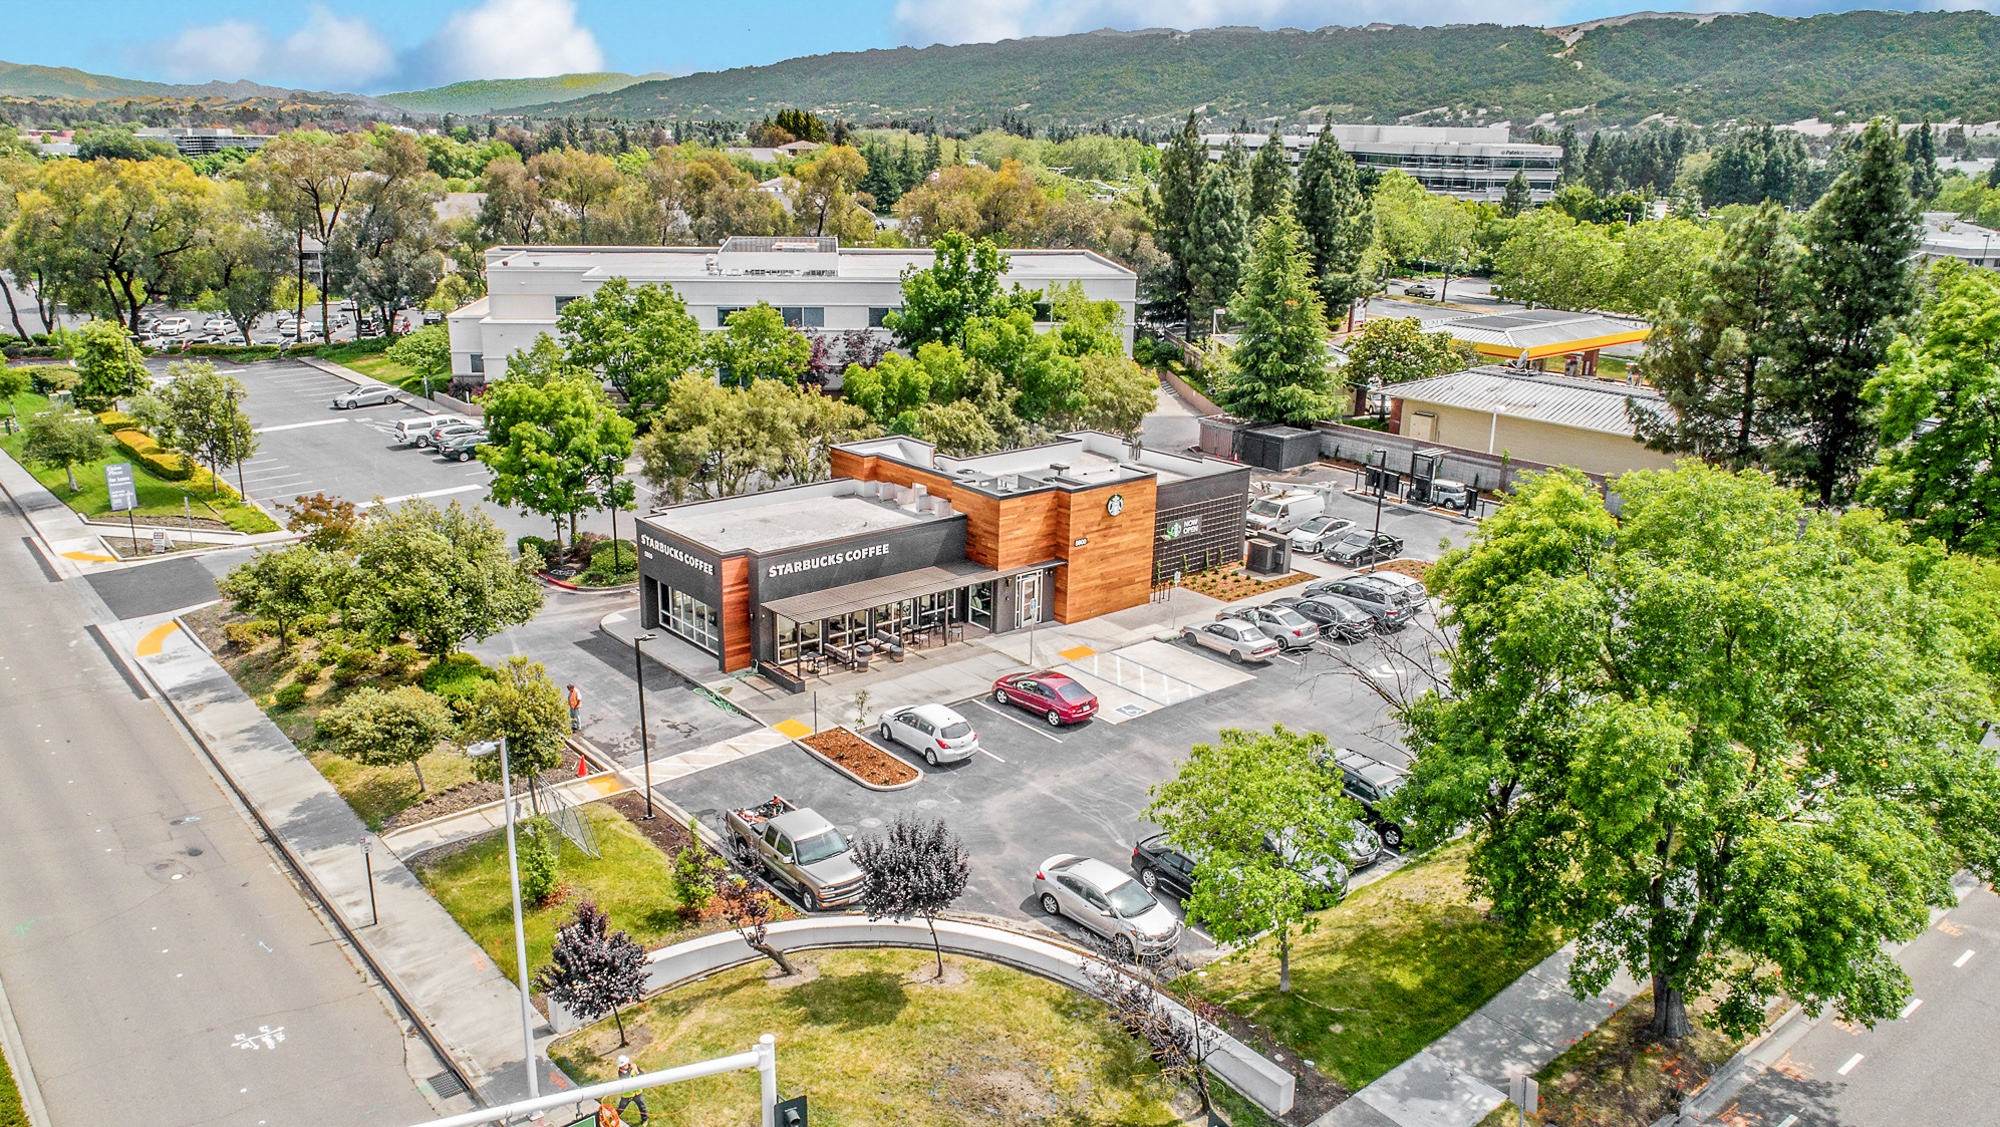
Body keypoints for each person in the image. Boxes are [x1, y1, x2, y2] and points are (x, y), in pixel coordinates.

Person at [614, 1056, 650, 1124]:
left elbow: (642, 1075)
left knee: (642, 1106)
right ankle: (612, 1117)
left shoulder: (634, 1067)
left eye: (625, 1065)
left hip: (637, 1093)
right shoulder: (621, 1072)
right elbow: (627, 1080)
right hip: (627, 1095)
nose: (624, 1067)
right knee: (621, 1107)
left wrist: (636, 1071)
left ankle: (645, 1119)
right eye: (622, 1066)